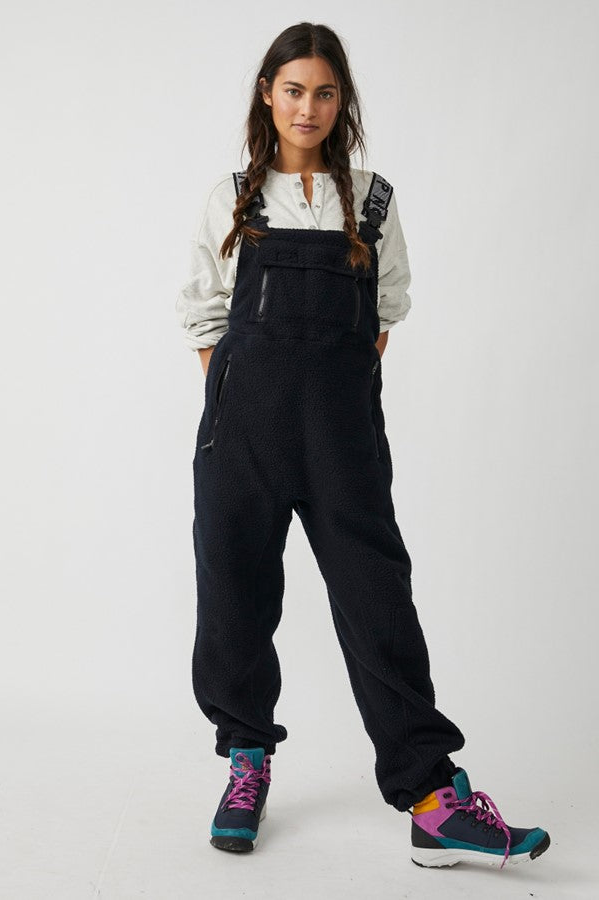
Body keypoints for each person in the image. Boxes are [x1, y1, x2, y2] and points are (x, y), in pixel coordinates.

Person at [175, 22, 550, 869]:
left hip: (341, 437)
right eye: (293, 90)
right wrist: (245, 401)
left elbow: (385, 313)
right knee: (234, 597)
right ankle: (246, 761)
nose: (307, 107)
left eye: (324, 92)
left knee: (379, 601)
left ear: (342, 102)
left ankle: (431, 800)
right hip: (243, 432)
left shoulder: (371, 199)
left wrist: (331, 392)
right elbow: (203, 317)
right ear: (268, 95)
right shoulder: (231, 198)